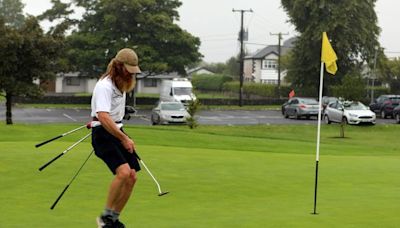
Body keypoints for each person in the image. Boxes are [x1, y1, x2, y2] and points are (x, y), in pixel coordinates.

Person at [91, 48, 141, 228]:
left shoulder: (120, 84)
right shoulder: (105, 85)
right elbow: (103, 116)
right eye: (128, 69)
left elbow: (111, 112)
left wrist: (122, 112)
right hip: (103, 133)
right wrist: (124, 139)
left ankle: (113, 218)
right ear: (119, 66)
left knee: (132, 176)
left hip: (116, 129)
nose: (131, 74)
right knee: (124, 172)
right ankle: (104, 218)